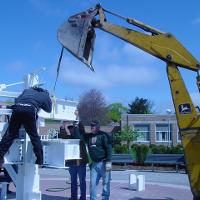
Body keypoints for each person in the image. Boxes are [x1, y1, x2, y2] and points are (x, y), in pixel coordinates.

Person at [0, 86, 52, 166]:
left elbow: (17, 100)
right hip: (30, 110)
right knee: (34, 136)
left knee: (9, 135)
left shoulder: (27, 91)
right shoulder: (44, 94)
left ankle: (0, 158)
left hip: (17, 108)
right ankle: (40, 160)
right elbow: (49, 109)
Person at [84, 120, 112, 200]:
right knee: (92, 184)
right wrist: (78, 121)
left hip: (106, 163)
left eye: (94, 126)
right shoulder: (88, 136)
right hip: (94, 164)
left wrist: (108, 162)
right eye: (91, 126)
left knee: (106, 183)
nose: (92, 127)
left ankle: (105, 198)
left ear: (98, 127)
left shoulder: (103, 135)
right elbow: (80, 135)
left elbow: (109, 148)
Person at [66, 122, 88, 200]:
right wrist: (62, 127)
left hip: (81, 163)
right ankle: (73, 197)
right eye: (70, 128)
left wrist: (76, 125)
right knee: (73, 181)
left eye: (72, 128)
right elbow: (62, 136)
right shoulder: (69, 137)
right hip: (72, 163)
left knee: (82, 181)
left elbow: (78, 137)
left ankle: (83, 198)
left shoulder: (82, 136)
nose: (70, 130)